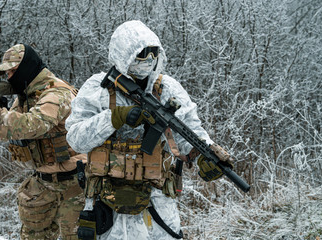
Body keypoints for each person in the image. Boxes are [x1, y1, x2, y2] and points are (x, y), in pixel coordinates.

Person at [65, 20, 234, 239]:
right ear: (124, 54)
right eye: (142, 54)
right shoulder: (98, 88)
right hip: (107, 201)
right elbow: (76, 138)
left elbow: (190, 130)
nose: (149, 60)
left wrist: (203, 155)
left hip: (157, 202)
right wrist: (114, 118)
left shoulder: (167, 89)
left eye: (153, 54)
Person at [0, 44, 86, 240]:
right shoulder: (26, 96)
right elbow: (11, 130)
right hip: (42, 184)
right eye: (7, 72)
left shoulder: (57, 93)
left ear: (28, 67)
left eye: (13, 71)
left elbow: (32, 125)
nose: (9, 77)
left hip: (74, 184)